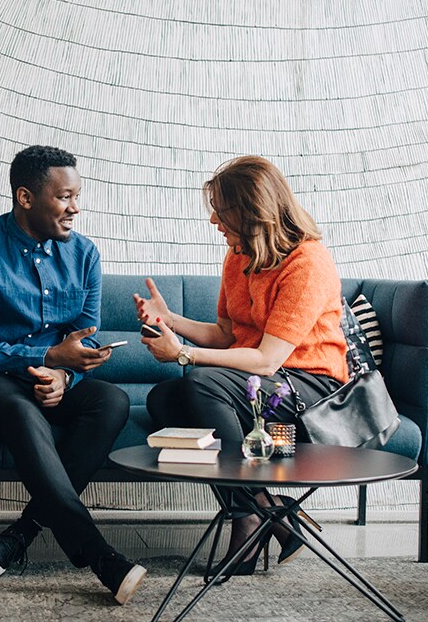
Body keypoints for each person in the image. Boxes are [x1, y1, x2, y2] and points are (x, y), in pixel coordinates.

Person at [0, 145, 147, 604]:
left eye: (77, 197)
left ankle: (20, 535)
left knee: (111, 400)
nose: (75, 208)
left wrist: (65, 377)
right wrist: (50, 357)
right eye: (64, 197)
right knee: (22, 410)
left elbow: (86, 338)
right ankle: (100, 557)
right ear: (26, 197)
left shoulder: (85, 254)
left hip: (51, 377)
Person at [135, 155, 348, 573]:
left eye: (223, 210)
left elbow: (267, 359)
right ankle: (267, 507)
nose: (213, 219)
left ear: (253, 211)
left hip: (310, 387)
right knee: (165, 399)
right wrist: (170, 320)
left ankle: (247, 518)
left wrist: (182, 354)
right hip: (256, 381)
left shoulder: (307, 263)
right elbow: (226, 335)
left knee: (200, 382)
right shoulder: (239, 255)